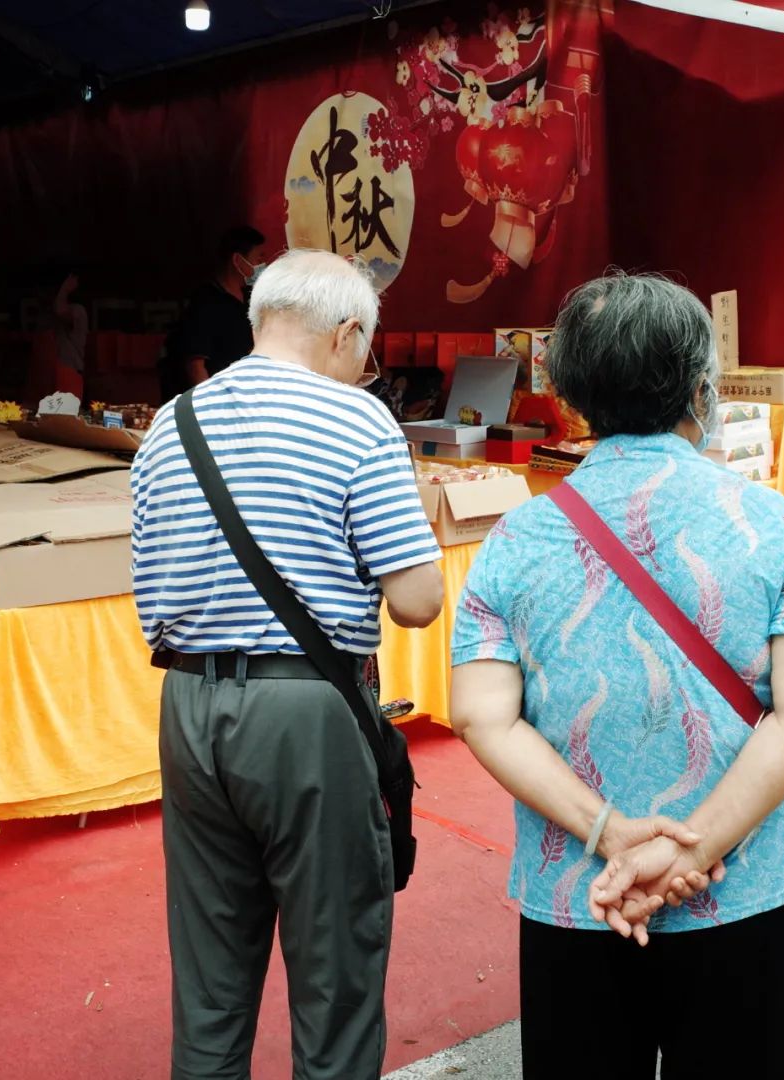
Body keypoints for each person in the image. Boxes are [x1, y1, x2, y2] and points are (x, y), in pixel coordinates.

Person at [449, 272, 784, 1080]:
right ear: (701, 388)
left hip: (581, 894)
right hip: (753, 890)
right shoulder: (771, 521)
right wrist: (689, 851)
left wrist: (614, 837)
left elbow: (481, 716)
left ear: (568, 397)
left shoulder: (516, 538)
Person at [131, 249, 444, 1080]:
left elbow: (147, 589)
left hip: (189, 707)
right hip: (306, 715)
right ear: (346, 335)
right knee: (335, 971)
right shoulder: (357, 421)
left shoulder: (172, 421)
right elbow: (416, 600)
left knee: (208, 979)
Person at [158, 225, 267, 403]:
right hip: (221, 404)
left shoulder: (250, 300)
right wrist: (208, 405)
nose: (263, 266)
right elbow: (195, 365)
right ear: (238, 261)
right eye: (258, 259)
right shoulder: (206, 303)